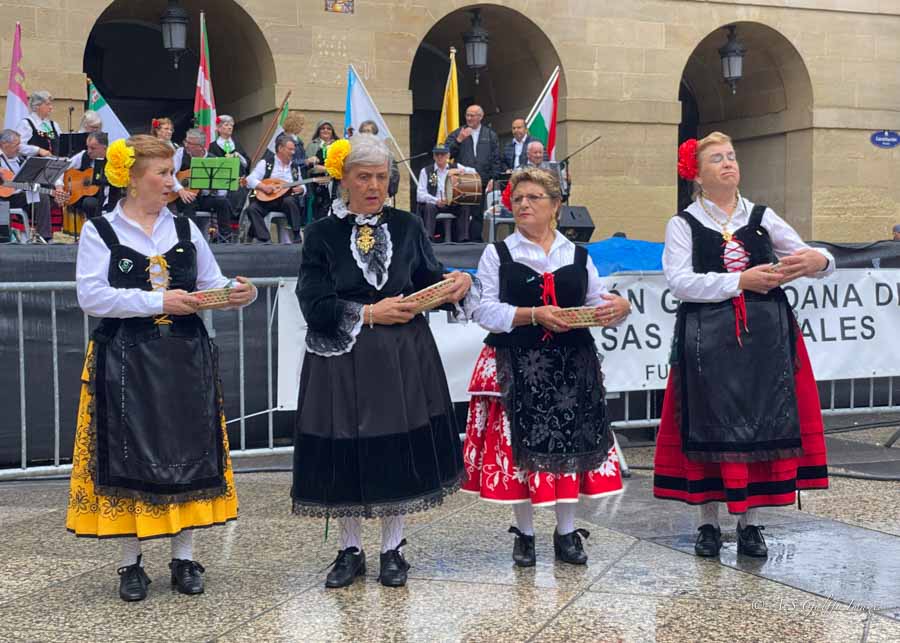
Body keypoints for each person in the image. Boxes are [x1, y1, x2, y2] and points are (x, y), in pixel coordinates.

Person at [66, 134, 256, 602]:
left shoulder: (187, 230)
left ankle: (184, 556)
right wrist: (157, 300)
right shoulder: (101, 230)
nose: (172, 181)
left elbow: (210, 283)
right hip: (125, 359)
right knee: (126, 455)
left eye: (172, 172)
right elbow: (91, 296)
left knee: (187, 451)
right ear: (132, 179)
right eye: (162, 173)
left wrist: (235, 293)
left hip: (184, 356)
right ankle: (130, 563)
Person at [292, 133, 472, 589]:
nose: (374, 185)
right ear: (344, 180)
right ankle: (349, 549)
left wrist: (453, 286)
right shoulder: (320, 235)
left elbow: (427, 278)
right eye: (363, 176)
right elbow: (312, 301)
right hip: (345, 356)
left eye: (381, 177)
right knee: (348, 448)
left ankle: (393, 549)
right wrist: (368, 313)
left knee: (396, 445)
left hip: (403, 355)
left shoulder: (409, 226)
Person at [653, 132, 833, 559]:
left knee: (759, 421)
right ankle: (708, 524)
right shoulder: (683, 223)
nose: (728, 163)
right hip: (707, 338)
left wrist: (818, 260)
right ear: (696, 174)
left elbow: (810, 255)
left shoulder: (762, 216)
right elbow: (680, 282)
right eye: (717, 159)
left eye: (731, 156)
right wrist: (740, 281)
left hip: (765, 337)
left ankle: (751, 523)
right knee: (708, 425)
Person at [463, 167, 630, 567]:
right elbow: (484, 309)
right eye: (517, 199)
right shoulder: (498, 253)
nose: (523, 204)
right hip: (517, 361)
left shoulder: (578, 256)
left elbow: (595, 301)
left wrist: (619, 307)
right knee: (522, 451)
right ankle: (525, 534)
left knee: (568, 447)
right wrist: (533, 313)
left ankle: (567, 532)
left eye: (533, 197)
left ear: (555, 205)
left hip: (571, 364)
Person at [445, 104, 502, 241]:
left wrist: (493, 178)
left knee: (478, 213)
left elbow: (496, 159)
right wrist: (459, 140)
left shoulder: (490, 135)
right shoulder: (458, 132)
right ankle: (460, 240)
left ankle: (476, 241)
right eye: (467, 115)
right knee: (463, 212)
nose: (469, 118)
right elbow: (446, 154)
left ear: (480, 117)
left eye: (472, 115)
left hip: (482, 179)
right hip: (462, 181)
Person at [173, 128, 237, 242]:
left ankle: (226, 238)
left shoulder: (213, 159)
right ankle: (189, 239)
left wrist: (215, 187)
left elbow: (223, 189)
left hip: (204, 198)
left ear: (200, 146)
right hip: (183, 197)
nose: (186, 145)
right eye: (186, 142)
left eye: (190, 143)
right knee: (189, 201)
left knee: (223, 202)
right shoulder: (180, 154)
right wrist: (180, 190)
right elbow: (170, 174)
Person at [245, 133, 306, 242]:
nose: (293, 152)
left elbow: (301, 183)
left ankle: (296, 235)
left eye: (294, 150)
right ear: (280, 148)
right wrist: (263, 187)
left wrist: (302, 189)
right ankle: (265, 238)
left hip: (284, 200)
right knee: (252, 209)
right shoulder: (266, 163)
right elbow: (250, 179)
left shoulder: (295, 167)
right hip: (266, 199)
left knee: (290, 201)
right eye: (290, 150)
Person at [0, 128, 53, 240]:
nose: (19, 148)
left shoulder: (20, 158)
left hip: (19, 194)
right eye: (16, 145)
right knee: (40, 197)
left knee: (44, 195)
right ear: (4, 145)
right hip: (4, 198)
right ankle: (43, 237)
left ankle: (42, 235)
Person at [54, 132, 122, 219]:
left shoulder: (113, 162)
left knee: (90, 203)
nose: (89, 151)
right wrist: (59, 186)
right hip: (81, 197)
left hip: (105, 200)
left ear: (104, 148)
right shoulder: (83, 155)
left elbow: (111, 193)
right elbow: (63, 167)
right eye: (88, 147)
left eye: (93, 148)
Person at [415, 144, 476, 240]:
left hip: (453, 203)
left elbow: (474, 171)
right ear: (433, 156)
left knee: (465, 206)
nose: (440, 157)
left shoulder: (455, 167)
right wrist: (436, 201)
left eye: (442, 154)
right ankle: (428, 239)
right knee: (428, 207)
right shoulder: (427, 171)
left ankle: (464, 239)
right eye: (437, 154)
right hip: (435, 204)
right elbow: (420, 195)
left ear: (448, 156)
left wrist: (462, 171)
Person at [208, 114, 251, 219]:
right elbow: (210, 165)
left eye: (231, 125)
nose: (230, 127)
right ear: (218, 128)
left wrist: (238, 156)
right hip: (221, 183)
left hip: (237, 182)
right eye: (226, 125)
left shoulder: (237, 145)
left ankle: (236, 223)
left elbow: (247, 163)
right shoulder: (213, 146)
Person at [305, 119, 340, 222]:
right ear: (318, 131)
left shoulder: (338, 145)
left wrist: (328, 169)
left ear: (332, 131)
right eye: (323, 128)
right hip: (317, 183)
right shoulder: (313, 145)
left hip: (334, 182)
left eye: (329, 128)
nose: (326, 130)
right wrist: (311, 163)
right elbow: (307, 166)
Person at [357, 119, 400, 198]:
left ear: (374, 134)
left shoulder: (385, 151)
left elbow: (394, 173)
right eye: (363, 131)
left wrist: (389, 190)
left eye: (368, 131)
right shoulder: (355, 151)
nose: (366, 134)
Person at [17, 90, 61, 157]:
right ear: (37, 106)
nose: (51, 107)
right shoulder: (26, 124)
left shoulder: (54, 125)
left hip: (53, 165)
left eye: (51, 104)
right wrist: (38, 150)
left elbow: (60, 144)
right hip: (34, 166)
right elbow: (18, 146)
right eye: (47, 104)